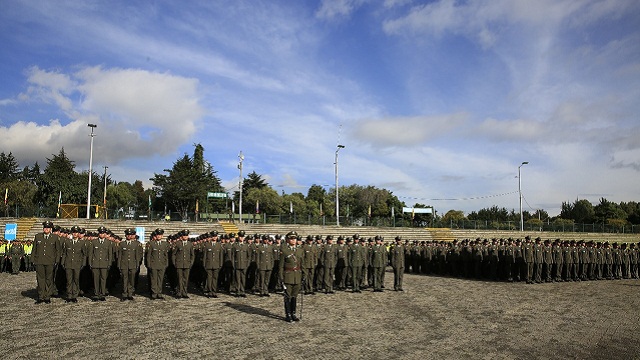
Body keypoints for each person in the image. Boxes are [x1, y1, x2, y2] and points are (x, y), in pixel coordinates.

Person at [32, 221, 61, 304]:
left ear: (50, 229)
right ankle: (41, 296)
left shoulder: (55, 237)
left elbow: (57, 250)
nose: (46, 229)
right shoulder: (38, 237)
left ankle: (47, 296)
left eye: (48, 228)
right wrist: (33, 260)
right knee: (40, 279)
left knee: (49, 279)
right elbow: (34, 249)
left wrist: (56, 261)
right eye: (45, 228)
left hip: (50, 262)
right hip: (39, 261)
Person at [279, 231, 304, 322]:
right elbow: (281, 266)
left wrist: (304, 275)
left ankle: (293, 313)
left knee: (294, 296)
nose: (293, 240)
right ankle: (288, 314)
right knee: (287, 296)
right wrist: (281, 278)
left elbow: (302, 264)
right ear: (287, 240)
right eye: (291, 238)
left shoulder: (300, 250)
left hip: (297, 276)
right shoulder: (284, 251)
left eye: (294, 238)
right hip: (288, 276)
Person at [61, 226, 86, 303]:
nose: (75, 234)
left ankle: (74, 296)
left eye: (76, 232)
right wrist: (63, 262)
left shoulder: (82, 243)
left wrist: (83, 264)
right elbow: (65, 253)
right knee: (69, 280)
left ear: (78, 233)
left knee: (76, 280)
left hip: (77, 264)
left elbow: (84, 254)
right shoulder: (67, 242)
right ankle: (69, 295)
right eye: (74, 232)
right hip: (68, 264)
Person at [89, 227, 114, 301]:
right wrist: (90, 263)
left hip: (104, 263)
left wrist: (109, 263)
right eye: (100, 233)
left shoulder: (108, 242)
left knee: (103, 279)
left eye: (103, 233)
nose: (101, 234)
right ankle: (96, 294)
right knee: (96, 279)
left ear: (105, 234)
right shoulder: (94, 242)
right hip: (95, 263)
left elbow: (110, 254)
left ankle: (102, 294)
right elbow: (91, 254)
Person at [117, 228, 143, 301]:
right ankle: (124, 294)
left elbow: (137, 256)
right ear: (125, 235)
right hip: (124, 264)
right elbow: (120, 255)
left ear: (133, 235)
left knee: (131, 280)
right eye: (127, 235)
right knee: (124, 279)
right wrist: (119, 265)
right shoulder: (122, 244)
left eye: (130, 235)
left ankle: (130, 293)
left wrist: (137, 264)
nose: (129, 236)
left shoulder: (136, 244)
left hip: (133, 264)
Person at [146, 228, 169, 299]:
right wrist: (149, 264)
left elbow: (165, 255)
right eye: (158, 235)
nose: (159, 236)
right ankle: (154, 294)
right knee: (154, 279)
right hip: (154, 265)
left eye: (160, 235)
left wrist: (166, 264)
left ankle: (159, 293)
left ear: (162, 236)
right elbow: (149, 255)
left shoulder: (164, 244)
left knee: (160, 279)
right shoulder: (152, 244)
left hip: (162, 265)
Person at [172, 230, 195, 298]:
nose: (185, 237)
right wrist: (174, 263)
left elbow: (192, 255)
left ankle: (184, 292)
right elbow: (174, 254)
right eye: (184, 235)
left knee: (186, 279)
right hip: (179, 264)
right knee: (179, 278)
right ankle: (179, 292)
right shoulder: (178, 244)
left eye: (186, 235)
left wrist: (191, 262)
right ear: (182, 236)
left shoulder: (190, 244)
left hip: (187, 264)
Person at [201, 231, 223, 298]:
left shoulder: (219, 245)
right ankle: (210, 291)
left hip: (216, 264)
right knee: (209, 278)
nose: (214, 237)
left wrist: (220, 264)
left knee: (215, 278)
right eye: (213, 236)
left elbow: (221, 256)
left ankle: (214, 291)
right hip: (209, 264)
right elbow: (205, 256)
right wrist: (204, 264)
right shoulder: (207, 245)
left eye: (215, 236)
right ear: (211, 237)